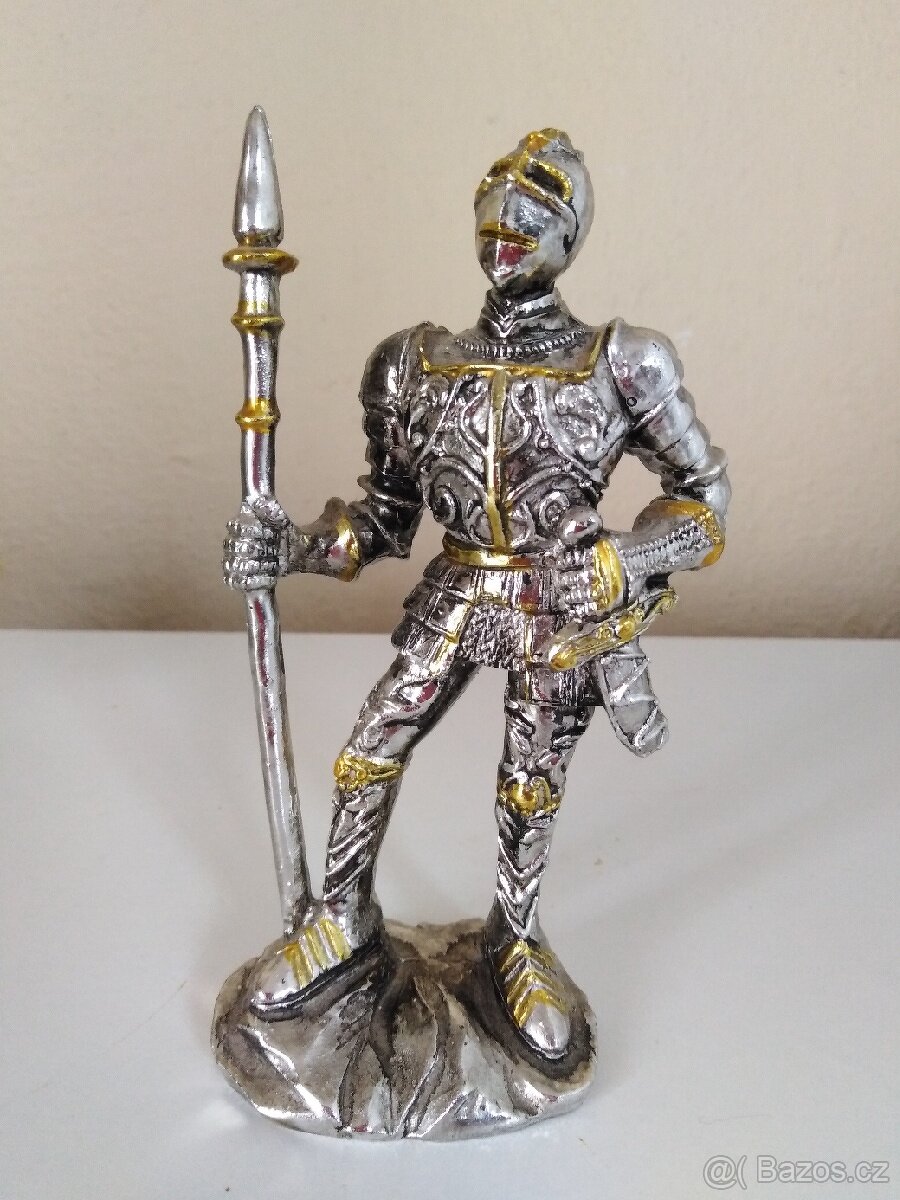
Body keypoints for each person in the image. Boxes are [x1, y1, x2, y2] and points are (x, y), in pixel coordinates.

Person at [223, 128, 730, 1059]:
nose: (507, 212)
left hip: (557, 603)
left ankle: (516, 941)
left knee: (530, 782)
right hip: (455, 589)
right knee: (369, 750)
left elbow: (704, 501)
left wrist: (626, 559)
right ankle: (340, 919)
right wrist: (291, 546)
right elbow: (384, 521)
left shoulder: (621, 363)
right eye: (494, 196)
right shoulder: (412, 364)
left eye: (538, 198)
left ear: (572, 231)